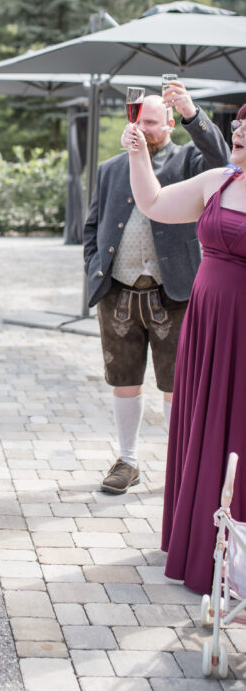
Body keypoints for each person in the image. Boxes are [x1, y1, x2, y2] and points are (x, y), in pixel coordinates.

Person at [123, 103, 246, 594]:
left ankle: (235, 554)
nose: (239, 129)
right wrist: (137, 155)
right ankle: (197, 539)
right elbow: (153, 202)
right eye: (239, 122)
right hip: (206, 324)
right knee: (203, 424)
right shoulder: (219, 180)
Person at [84, 86, 229, 494]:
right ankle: (127, 460)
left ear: (168, 125)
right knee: (123, 378)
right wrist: (94, 269)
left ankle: (178, 464)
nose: (142, 128)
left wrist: (191, 113)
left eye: (150, 122)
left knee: (177, 385)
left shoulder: (188, 161)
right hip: (118, 291)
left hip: (175, 292)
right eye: (137, 121)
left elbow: (222, 160)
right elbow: (93, 226)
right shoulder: (111, 167)